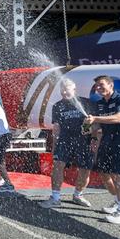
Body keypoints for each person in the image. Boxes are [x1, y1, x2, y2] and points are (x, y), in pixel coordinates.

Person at [85, 75, 120, 224]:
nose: (99, 89)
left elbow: (119, 118)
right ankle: (117, 202)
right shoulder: (99, 103)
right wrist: (88, 129)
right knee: (104, 173)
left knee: (117, 176)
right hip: (106, 141)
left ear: (111, 85)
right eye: (97, 87)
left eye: (101, 85)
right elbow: (96, 126)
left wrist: (95, 119)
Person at [39, 78, 94, 209]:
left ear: (74, 90)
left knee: (85, 169)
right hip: (65, 140)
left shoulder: (85, 102)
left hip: (83, 141)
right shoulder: (57, 106)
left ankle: (78, 195)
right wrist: (54, 145)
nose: (63, 91)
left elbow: (94, 122)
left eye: (66, 89)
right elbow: (56, 127)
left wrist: (90, 134)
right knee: (58, 166)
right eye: (61, 89)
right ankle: (55, 198)